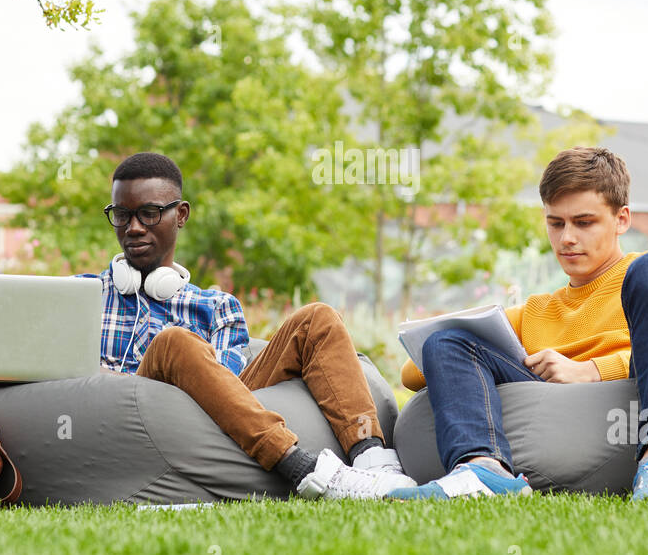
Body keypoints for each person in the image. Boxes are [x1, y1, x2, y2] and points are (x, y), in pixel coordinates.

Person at [393, 145, 648, 502]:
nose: (567, 238)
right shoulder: (536, 311)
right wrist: (498, 347)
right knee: (448, 342)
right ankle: (484, 470)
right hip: (571, 417)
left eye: (584, 223)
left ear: (622, 220)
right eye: (556, 223)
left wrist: (590, 371)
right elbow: (413, 372)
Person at [80, 151, 415, 500]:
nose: (133, 228)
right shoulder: (81, 294)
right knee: (173, 342)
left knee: (318, 317)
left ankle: (374, 463)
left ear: (180, 215)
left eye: (148, 214)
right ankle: (306, 470)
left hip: (211, 413)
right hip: (129, 417)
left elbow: (227, 384)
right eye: (121, 215)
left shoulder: (217, 306)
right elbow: (58, 373)